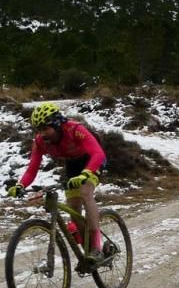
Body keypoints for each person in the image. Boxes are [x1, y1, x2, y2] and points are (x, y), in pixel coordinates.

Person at [7, 103, 107, 262]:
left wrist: (86, 174)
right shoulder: (40, 141)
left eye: (46, 128)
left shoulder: (74, 129)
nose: (42, 133)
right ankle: (89, 251)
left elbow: (98, 153)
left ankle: (96, 247)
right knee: (74, 210)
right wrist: (20, 185)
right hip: (72, 165)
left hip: (91, 160)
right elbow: (32, 168)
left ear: (57, 124)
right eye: (38, 129)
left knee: (85, 193)